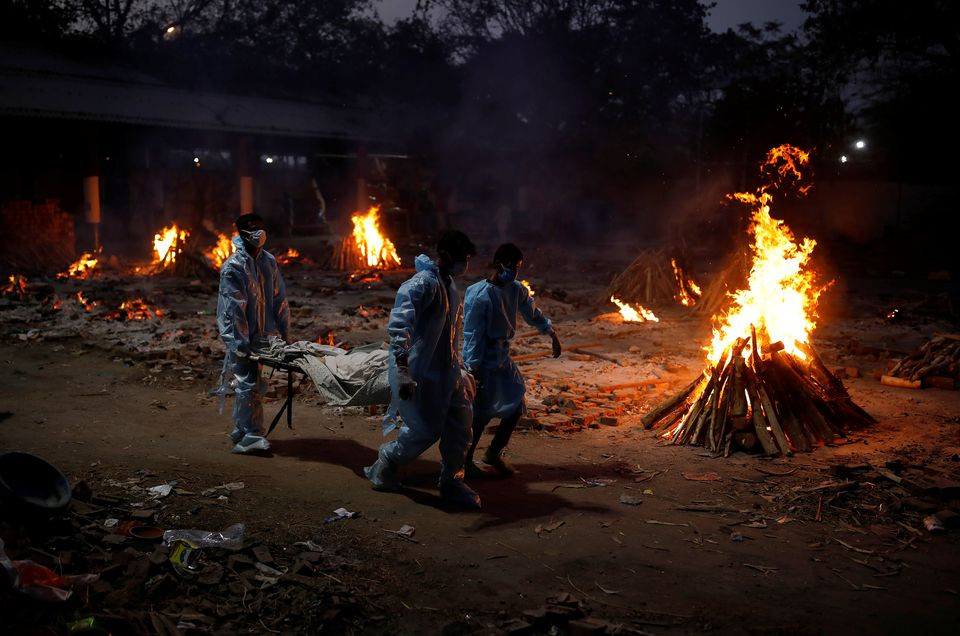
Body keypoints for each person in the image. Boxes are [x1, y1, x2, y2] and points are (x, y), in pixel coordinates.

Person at [364, 230, 481, 508]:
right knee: (424, 432)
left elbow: (452, 332)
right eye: (464, 258)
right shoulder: (419, 285)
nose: (466, 264)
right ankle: (387, 461)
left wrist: (462, 366)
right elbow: (399, 330)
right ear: (447, 255)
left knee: (461, 427)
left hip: (448, 373)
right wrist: (403, 372)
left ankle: (452, 481)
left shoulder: (448, 284)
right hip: (421, 373)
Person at [462, 243, 561, 477]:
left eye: (518, 267)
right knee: (480, 414)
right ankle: (465, 461)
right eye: (512, 267)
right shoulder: (479, 295)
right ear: (498, 264)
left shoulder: (515, 289)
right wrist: (473, 368)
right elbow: (473, 335)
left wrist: (551, 333)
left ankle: (494, 452)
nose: (515, 272)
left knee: (516, 404)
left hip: (503, 358)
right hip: (484, 360)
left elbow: (532, 313)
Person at [215, 213, 290, 454]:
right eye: (253, 228)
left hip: (267, 338)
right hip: (243, 338)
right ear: (242, 233)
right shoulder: (233, 268)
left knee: (261, 383)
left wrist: (285, 333)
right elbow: (234, 310)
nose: (259, 232)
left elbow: (279, 299)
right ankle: (252, 435)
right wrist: (241, 343)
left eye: (261, 227)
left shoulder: (268, 261)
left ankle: (241, 428)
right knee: (248, 385)